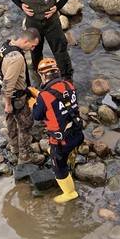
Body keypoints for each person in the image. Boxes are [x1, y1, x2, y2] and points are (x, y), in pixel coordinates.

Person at [28, 58, 85, 204]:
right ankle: (71, 163)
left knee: (58, 166)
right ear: (57, 72)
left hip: (61, 141)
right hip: (77, 133)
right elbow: (59, 101)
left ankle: (70, 192)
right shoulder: (69, 85)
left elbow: (37, 115)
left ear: (42, 75)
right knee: (67, 151)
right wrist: (40, 96)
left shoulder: (44, 96)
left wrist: (35, 103)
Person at [5, 0, 75, 82]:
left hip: (52, 23)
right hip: (33, 24)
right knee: (35, 50)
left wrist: (58, 6)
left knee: (60, 48)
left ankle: (67, 76)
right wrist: (20, 5)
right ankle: (39, 73)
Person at [0, 28, 41, 164]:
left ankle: (14, 147)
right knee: (26, 124)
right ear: (25, 41)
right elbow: (8, 83)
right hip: (14, 97)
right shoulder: (17, 58)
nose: (33, 48)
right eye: (32, 45)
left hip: (1, 92)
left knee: (10, 120)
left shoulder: (6, 45)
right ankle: (25, 156)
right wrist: (8, 104)